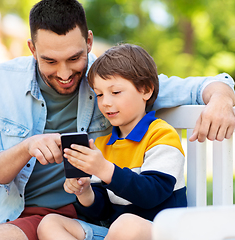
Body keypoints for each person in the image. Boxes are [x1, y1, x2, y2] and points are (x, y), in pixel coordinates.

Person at [0, 0, 235, 239]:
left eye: (74, 58)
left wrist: (221, 98)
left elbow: (196, 86)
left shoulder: (111, 80)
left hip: (65, 214)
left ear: (88, 41)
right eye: (50, 61)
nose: (65, 73)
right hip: (1, 210)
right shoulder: (1, 81)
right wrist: (27, 147)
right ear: (32, 48)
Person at [37, 43, 187, 240]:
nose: (105, 102)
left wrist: (104, 169)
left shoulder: (161, 135)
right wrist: (85, 192)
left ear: (146, 90)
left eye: (115, 92)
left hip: (162, 232)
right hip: (115, 233)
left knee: (127, 224)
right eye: (99, 94)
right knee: (50, 223)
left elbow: (151, 195)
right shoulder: (103, 145)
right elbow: (102, 213)